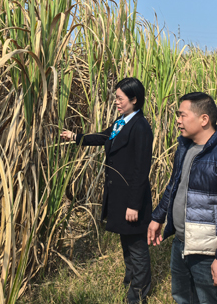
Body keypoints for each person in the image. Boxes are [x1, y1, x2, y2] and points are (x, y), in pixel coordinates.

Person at [147, 92, 217, 304]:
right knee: (182, 297)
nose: (177, 120)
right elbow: (174, 186)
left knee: (211, 300)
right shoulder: (185, 148)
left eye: (182, 115)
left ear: (204, 119)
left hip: (207, 249)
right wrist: (158, 217)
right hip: (181, 243)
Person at [61, 77, 153, 304]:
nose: (116, 102)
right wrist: (76, 137)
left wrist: (134, 204)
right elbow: (104, 137)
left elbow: (142, 170)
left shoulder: (140, 127)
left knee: (137, 244)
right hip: (119, 194)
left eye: (120, 98)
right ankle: (130, 277)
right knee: (126, 239)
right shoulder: (121, 122)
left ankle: (140, 292)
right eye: (116, 98)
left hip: (132, 197)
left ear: (134, 99)